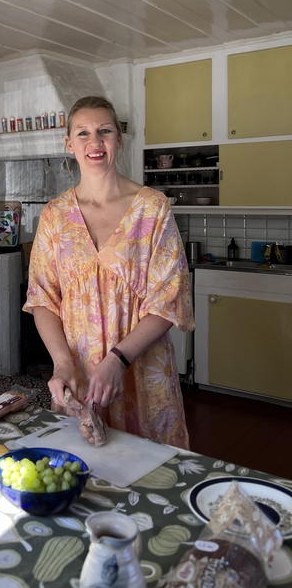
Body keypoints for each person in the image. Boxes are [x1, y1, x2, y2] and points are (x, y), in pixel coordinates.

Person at [23, 96, 195, 449]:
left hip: (140, 371)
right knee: (77, 468)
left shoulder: (152, 208)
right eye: (83, 133)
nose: (95, 142)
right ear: (69, 144)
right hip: (79, 375)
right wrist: (62, 363)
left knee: (150, 471)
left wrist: (118, 359)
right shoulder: (55, 215)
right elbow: (42, 298)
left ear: (119, 138)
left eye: (104, 131)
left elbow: (169, 300)